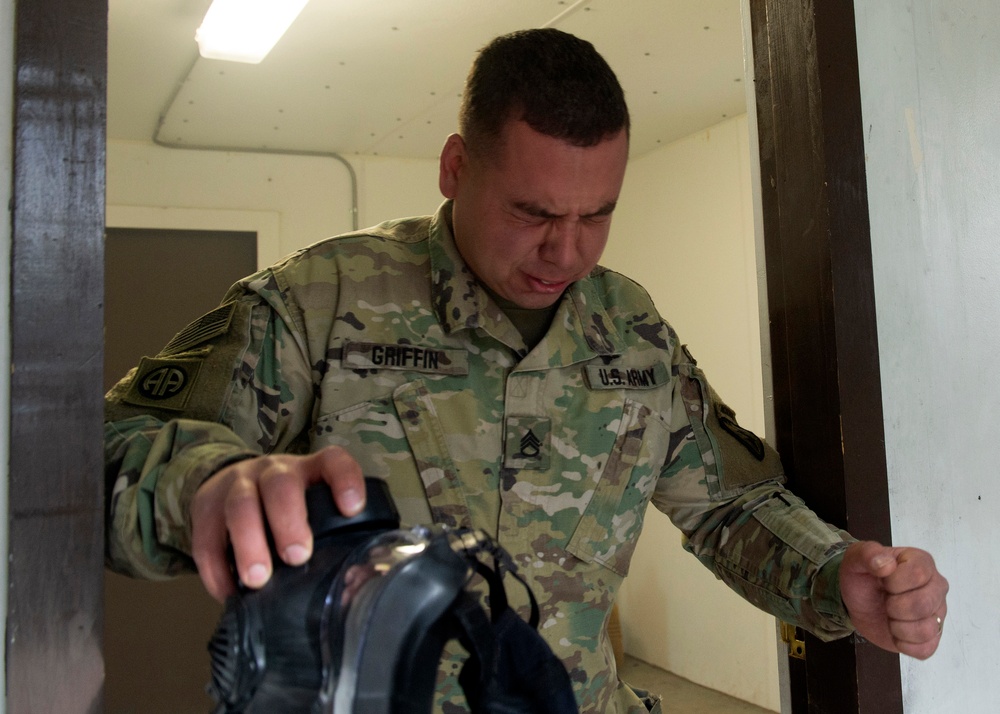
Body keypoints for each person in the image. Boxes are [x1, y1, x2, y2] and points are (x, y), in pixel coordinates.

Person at [104, 28, 948, 713]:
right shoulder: (323, 297)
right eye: (533, 212)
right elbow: (109, 445)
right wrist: (210, 482)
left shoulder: (630, 327)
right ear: (455, 168)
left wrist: (835, 576)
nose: (566, 251)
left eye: (596, 215)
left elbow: (729, 502)